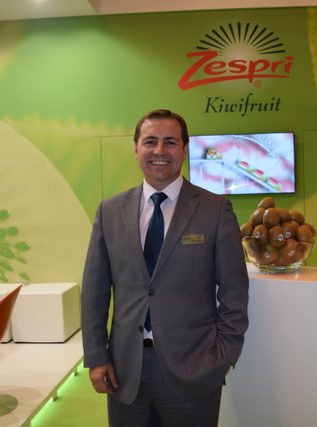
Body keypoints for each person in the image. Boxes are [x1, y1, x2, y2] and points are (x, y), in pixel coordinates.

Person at [80, 109, 249, 427]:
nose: (160, 150)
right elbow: (94, 292)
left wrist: (222, 356)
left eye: (170, 142)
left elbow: (234, 291)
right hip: (125, 371)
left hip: (194, 371)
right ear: (136, 149)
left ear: (184, 150)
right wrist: (97, 356)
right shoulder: (110, 211)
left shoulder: (215, 210)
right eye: (150, 141)